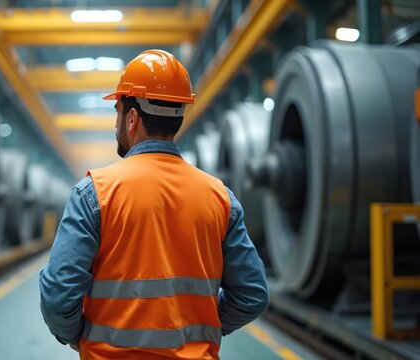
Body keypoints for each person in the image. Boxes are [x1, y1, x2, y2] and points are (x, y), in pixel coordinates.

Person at [39, 49, 268, 359]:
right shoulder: (220, 198)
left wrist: (79, 337)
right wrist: (202, 328)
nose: (115, 123)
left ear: (132, 118)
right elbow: (252, 294)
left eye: (117, 112)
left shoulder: (95, 194)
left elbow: (57, 297)